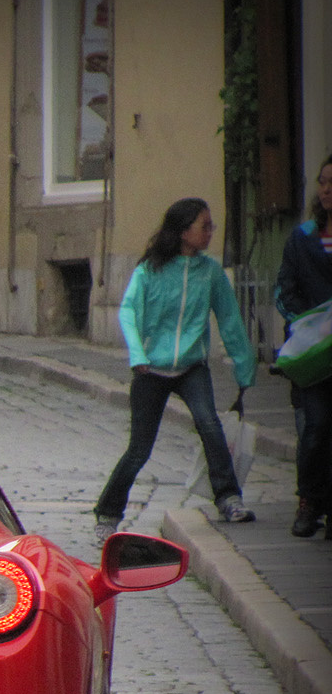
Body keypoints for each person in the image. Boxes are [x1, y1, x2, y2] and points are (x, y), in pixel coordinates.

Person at [93, 197, 257, 543]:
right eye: (205, 226)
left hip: (191, 366)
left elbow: (229, 319)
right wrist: (137, 353)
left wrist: (245, 369)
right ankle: (107, 513)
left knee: (210, 425)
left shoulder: (210, 272)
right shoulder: (150, 270)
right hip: (150, 368)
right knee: (139, 449)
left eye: (212, 225)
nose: (211, 232)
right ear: (184, 232)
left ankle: (229, 498)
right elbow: (128, 311)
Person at [274, 151, 332, 539]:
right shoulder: (303, 237)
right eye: (323, 182)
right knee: (316, 425)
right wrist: (306, 322)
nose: (326, 190)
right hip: (314, 353)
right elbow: (285, 290)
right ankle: (309, 502)